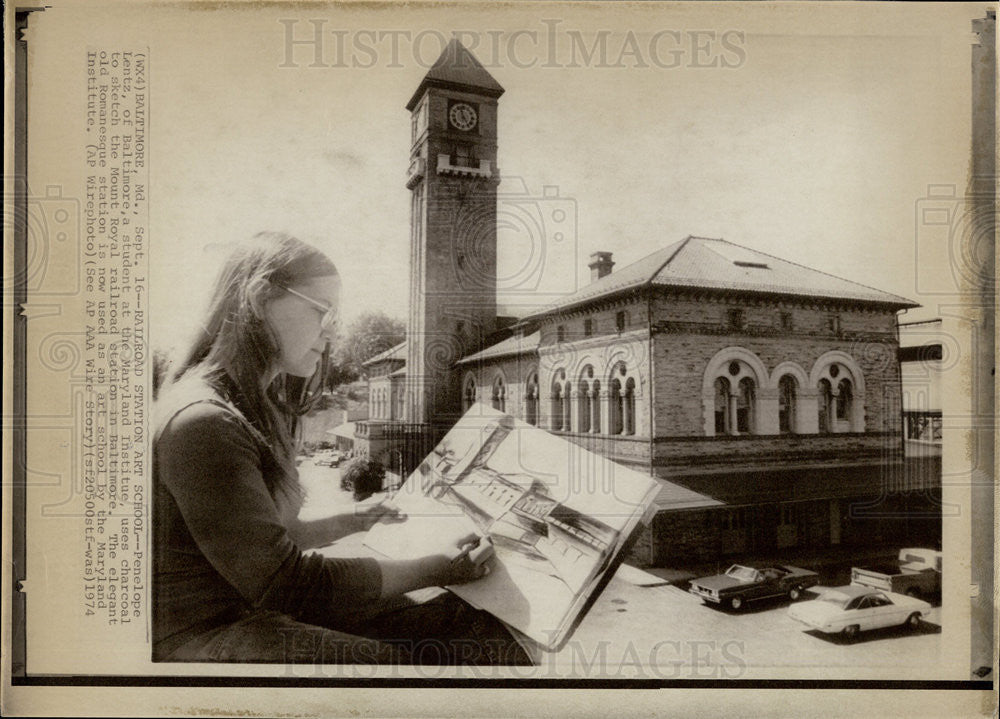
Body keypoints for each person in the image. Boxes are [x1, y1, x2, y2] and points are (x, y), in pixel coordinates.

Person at [153, 232, 531, 665]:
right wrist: (439, 567)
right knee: (401, 671)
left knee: (457, 622)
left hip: (246, 610)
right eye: (322, 311)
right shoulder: (204, 420)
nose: (332, 332)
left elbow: (265, 539)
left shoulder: (249, 407)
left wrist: (355, 519)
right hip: (203, 635)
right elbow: (289, 584)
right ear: (258, 299)